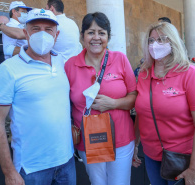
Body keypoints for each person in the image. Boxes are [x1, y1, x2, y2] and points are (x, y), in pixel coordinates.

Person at [0, 8, 75, 185]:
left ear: (56, 35)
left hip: (67, 163)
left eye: (48, 29)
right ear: (25, 33)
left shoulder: (61, 62)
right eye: (36, 28)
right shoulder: (8, 70)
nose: (42, 34)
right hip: (31, 169)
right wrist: (9, 172)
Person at [65, 12, 137, 185]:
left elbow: (134, 96)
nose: (96, 37)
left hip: (121, 138)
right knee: (98, 183)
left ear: (108, 37)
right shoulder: (70, 65)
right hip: (88, 140)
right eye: (90, 32)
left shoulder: (120, 59)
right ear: (82, 37)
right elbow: (64, 103)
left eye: (101, 33)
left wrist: (114, 103)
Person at [133, 21, 195, 185]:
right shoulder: (144, 74)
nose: (155, 44)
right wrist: (135, 145)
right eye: (151, 40)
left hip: (183, 158)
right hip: (151, 156)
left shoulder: (189, 73)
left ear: (173, 42)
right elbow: (141, 114)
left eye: (162, 39)